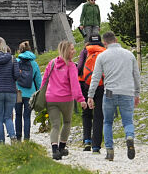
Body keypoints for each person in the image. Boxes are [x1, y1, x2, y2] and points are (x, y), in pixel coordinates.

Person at [87, 31, 140, 161]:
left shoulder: (102, 56)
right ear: (116, 40)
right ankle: (129, 137)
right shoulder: (129, 55)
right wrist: (137, 93)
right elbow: (136, 75)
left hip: (110, 91)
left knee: (108, 122)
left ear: (104, 42)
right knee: (128, 121)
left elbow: (96, 77)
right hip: (127, 91)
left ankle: (110, 151)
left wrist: (90, 95)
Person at [43, 39, 85, 159]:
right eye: (72, 49)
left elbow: (44, 81)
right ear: (66, 51)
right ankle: (62, 147)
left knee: (55, 125)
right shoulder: (71, 66)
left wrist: (42, 95)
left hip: (51, 98)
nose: (74, 51)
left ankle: (54, 150)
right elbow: (75, 85)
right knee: (67, 122)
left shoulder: (51, 63)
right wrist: (81, 99)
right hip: (66, 99)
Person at [77, 34, 106, 152]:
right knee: (99, 115)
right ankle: (96, 145)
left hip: (86, 84)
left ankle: (87, 140)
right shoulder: (104, 52)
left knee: (86, 113)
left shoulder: (85, 51)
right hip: (101, 85)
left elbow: (79, 68)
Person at [13, 41, 42, 142]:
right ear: (30, 49)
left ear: (19, 50)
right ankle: (27, 139)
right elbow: (38, 81)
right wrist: (39, 93)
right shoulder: (34, 64)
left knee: (17, 115)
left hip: (18, 92)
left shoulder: (15, 62)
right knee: (27, 116)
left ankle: (18, 137)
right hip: (30, 94)